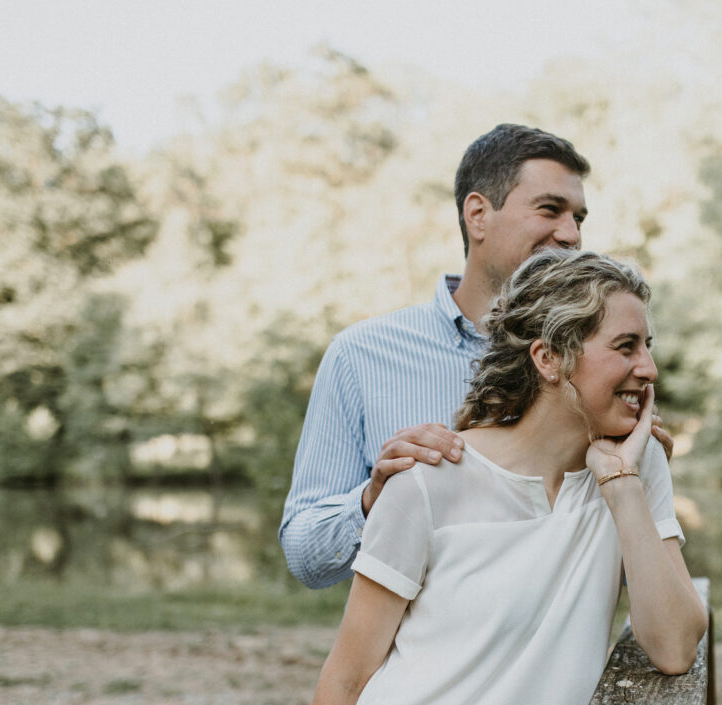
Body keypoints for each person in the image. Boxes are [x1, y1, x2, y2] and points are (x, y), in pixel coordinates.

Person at [260, 249, 709, 705]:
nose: (648, 369)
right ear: (550, 357)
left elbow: (672, 645)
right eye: (626, 347)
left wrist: (625, 486)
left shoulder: (632, 472)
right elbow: (346, 677)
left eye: (648, 346)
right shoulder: (431, 484)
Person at [278, 123, 670, 588]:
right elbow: (305, 556)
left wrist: (641, 487)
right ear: (478, 215)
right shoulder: (360, 355)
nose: (570, 235)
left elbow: (616, 579)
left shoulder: (597, 368)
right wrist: (374, 499)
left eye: (579, 219)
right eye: (550, 210)